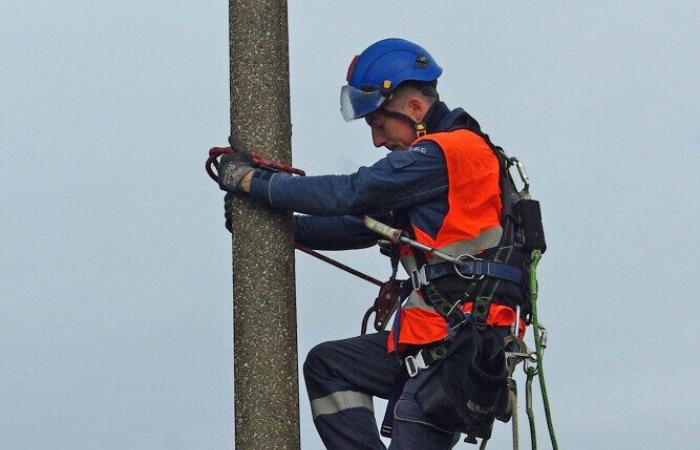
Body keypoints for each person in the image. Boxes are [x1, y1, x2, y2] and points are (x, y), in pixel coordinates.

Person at [219, 38, 532, 449]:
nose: (377, 141)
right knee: (328, 367)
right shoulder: (443, 172)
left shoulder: (445, 154)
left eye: (379, 125)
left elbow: (352, 193)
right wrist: (275, 229)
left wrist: (251, 182)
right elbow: (361, 225)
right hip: (444, 342)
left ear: (415, 109)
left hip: (454, 346)